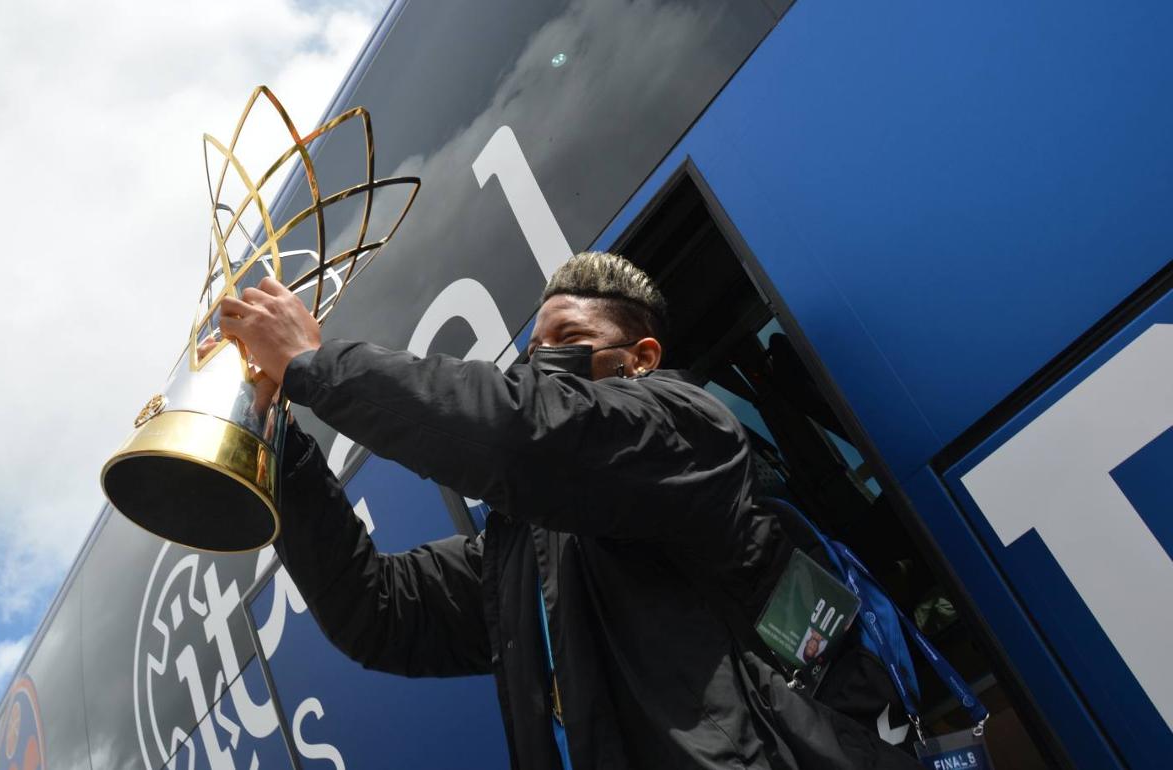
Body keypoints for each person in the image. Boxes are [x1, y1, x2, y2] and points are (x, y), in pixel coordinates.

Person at [219, 252, 918, 769]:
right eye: (529, 352)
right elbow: (378, 613)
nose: (538, 365)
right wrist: (280, 447)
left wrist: (318, 364)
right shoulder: (522, 551)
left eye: (567, 343)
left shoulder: (682, 425)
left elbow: (533, 434)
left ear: (641, 357)